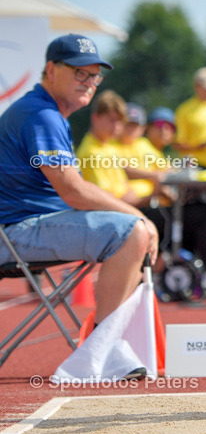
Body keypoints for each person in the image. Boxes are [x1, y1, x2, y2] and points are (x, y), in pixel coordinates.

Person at [0, 35, 158, 327]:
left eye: (94, 76)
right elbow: (74, 192)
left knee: (134, 230)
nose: (88, 82)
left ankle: (110, 339)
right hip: (14, 234)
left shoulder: (47, 113)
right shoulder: (42, 114)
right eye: (79, 72)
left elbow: (76, 190)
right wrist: (138, 216)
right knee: (133, 232)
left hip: (24, 226)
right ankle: (102, 344)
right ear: (51, 70)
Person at [78, 91, 206, 300]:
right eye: (113, 122)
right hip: (125, 216)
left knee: (195, 211)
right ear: (96, 119)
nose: (118, 128)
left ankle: (200, 275)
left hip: (136, 209)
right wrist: (151, 192)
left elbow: (140, 175)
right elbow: (112, 201)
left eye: (122, 122)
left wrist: (158, 182)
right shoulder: (94, 152)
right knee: (198, 215)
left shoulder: (107, 148)